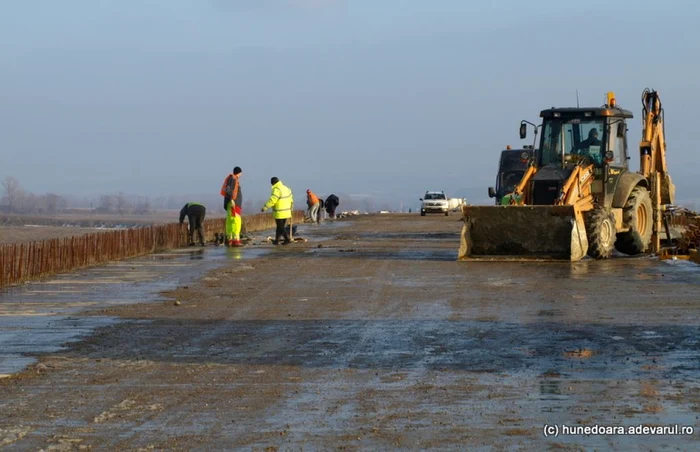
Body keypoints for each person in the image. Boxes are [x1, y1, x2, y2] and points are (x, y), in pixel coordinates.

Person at [261, 177, 294, 245]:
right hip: (287, 211)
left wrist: (265, 207)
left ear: (273, 183)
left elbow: (272, 200)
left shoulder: (277, 189)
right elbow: (291, 200)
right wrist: (291, 209)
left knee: (281, 227)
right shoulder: (287, 188)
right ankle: (277, 240)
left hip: (280, 212)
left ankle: (287, 239)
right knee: (279, 227)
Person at [220, 166, 243, 247]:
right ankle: (235, 240)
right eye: (241, 173)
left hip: (230, 204)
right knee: (236, 221)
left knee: (230, 222)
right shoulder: (233, 179)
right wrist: (232, 200)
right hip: (234, 204)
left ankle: (229, 239)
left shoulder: (231, 178)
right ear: (239, 173)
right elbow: (229, 189)